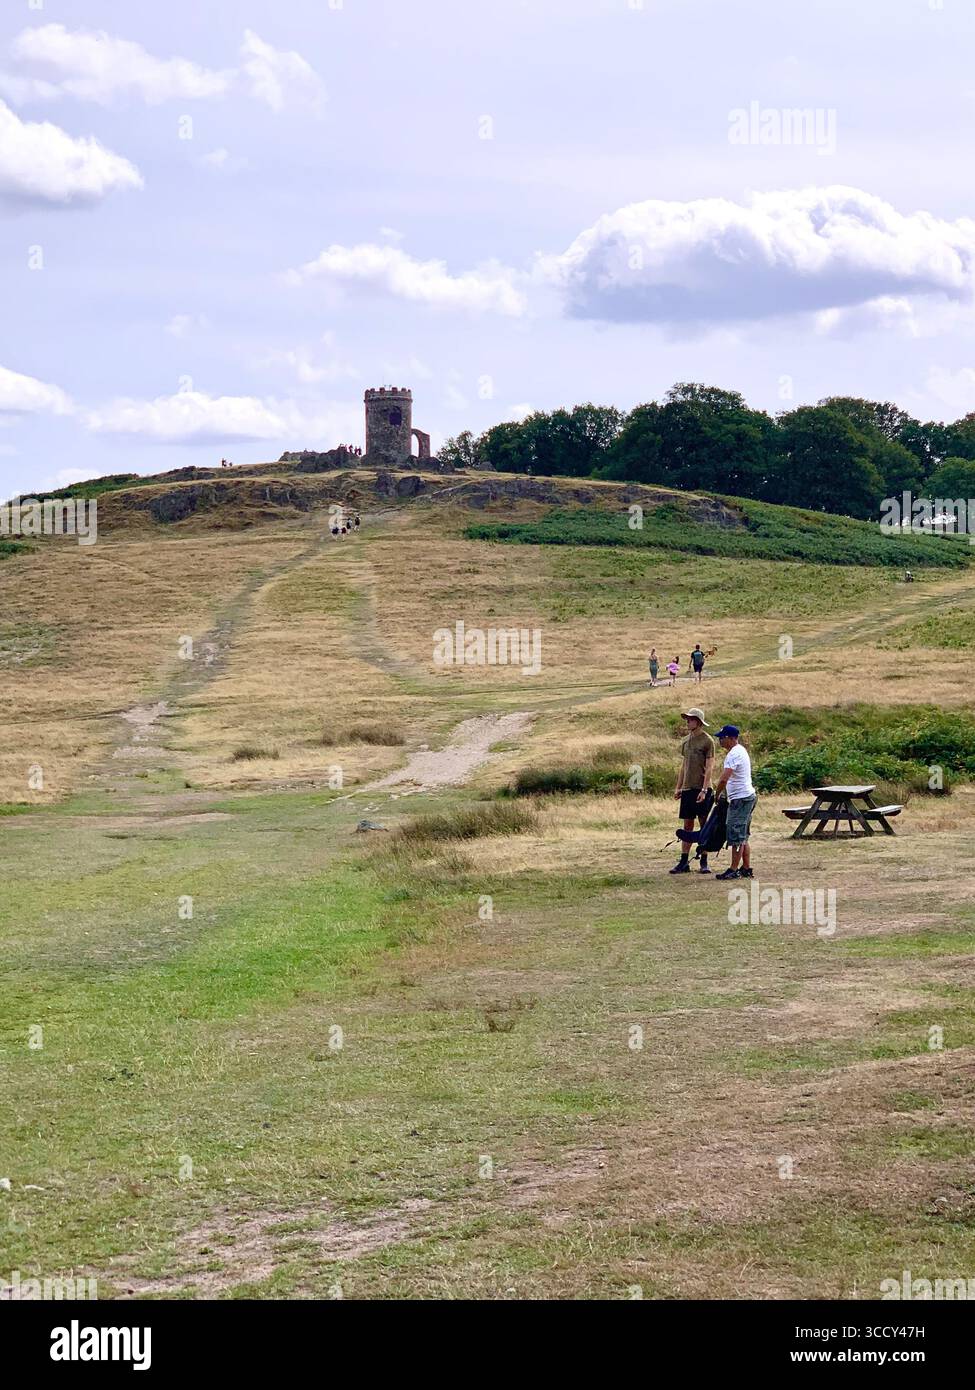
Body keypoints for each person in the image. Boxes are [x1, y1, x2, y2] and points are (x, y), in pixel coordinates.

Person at [670, 708, 715, 875]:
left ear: (698, 722)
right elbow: (684, 766)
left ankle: (704, 860)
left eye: (690, 719)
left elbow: (710, 766)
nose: (687, 722)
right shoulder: (686, 741)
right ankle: (683, 861)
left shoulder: (707, 741)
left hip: (702, 788)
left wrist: (704, 789)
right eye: (686, 719)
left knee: (704, 825)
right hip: (688, 789)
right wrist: (679, 786)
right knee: (687, 824)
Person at [712, 725, 756, 882]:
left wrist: (717, 795)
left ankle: (733, 869)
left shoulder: (733, 754)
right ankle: (746, 868)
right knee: (743, 834)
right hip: (747, 796)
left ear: (731, 738)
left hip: (740, 799)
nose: (720, 740)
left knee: (736, 834)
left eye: (722, 738)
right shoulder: (741, 750)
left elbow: (724, 778)